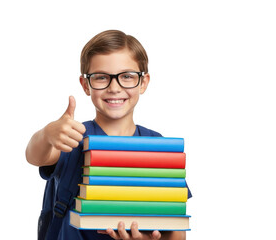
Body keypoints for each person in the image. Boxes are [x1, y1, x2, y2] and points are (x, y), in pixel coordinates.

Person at [26, 30, 191, 240]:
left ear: (143, 82)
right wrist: (48, 134)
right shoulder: (73, 136)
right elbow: (35, 155)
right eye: (101, 77)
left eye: (127, 76)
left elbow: (175, 229)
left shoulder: (157, 146)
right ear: (86, 85)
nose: (114, 88)